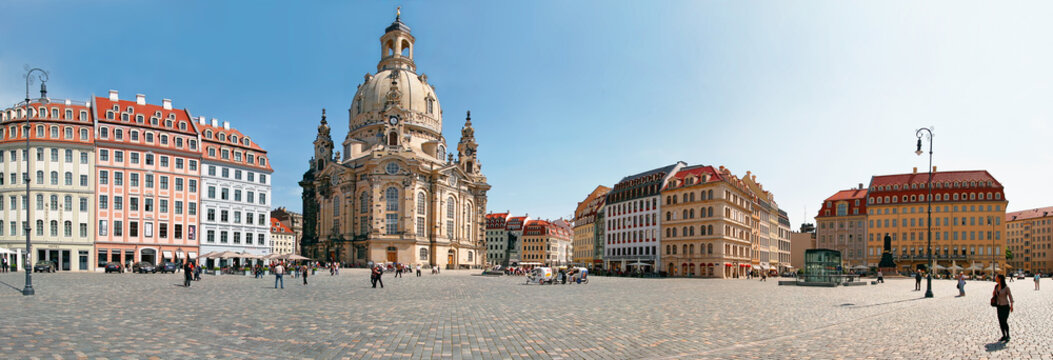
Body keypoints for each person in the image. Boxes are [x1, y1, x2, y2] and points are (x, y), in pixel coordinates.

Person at [993, 274, 1014, 342]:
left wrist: (1011, 305)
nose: (995, 278)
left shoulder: (1006, 288)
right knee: (1000, 321)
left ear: (1000, 279)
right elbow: (994, 295)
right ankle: (1003, 335)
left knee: (1004, 321)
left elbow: (1010, 296)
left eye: (997, 278)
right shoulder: (996, 286)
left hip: (1005, 306)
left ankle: (1008, 335)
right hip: (999, 306)